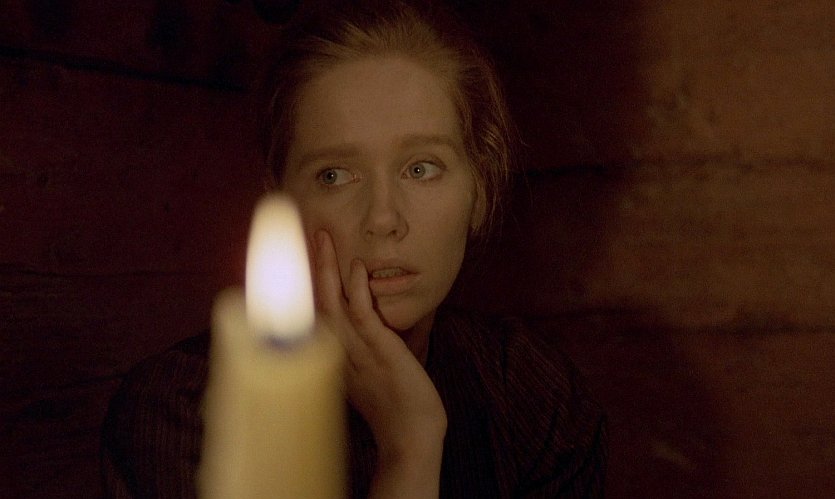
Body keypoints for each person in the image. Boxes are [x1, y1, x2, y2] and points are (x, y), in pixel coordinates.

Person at [101, 1, 607, 497]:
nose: (383, 219)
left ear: (480, 188)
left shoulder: (529, 395)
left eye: (421, 168)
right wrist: (409, 451)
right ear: (282, 204)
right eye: (335, 176)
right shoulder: (183, 415)